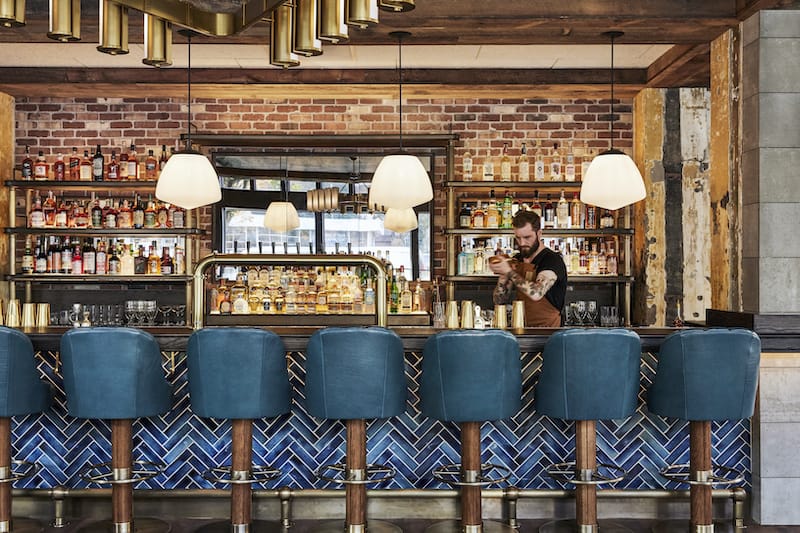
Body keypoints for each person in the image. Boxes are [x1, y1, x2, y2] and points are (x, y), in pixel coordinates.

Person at [489, 210, 567, 327]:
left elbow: (536, 293)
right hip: (522, 328)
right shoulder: (517, 259)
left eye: (527, 237)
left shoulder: (552, 260)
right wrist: (502, 276)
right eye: (518, 238)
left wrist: (509, 272)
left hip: (548, 332)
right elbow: (499, 300)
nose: (522, 243)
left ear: (539, 233)